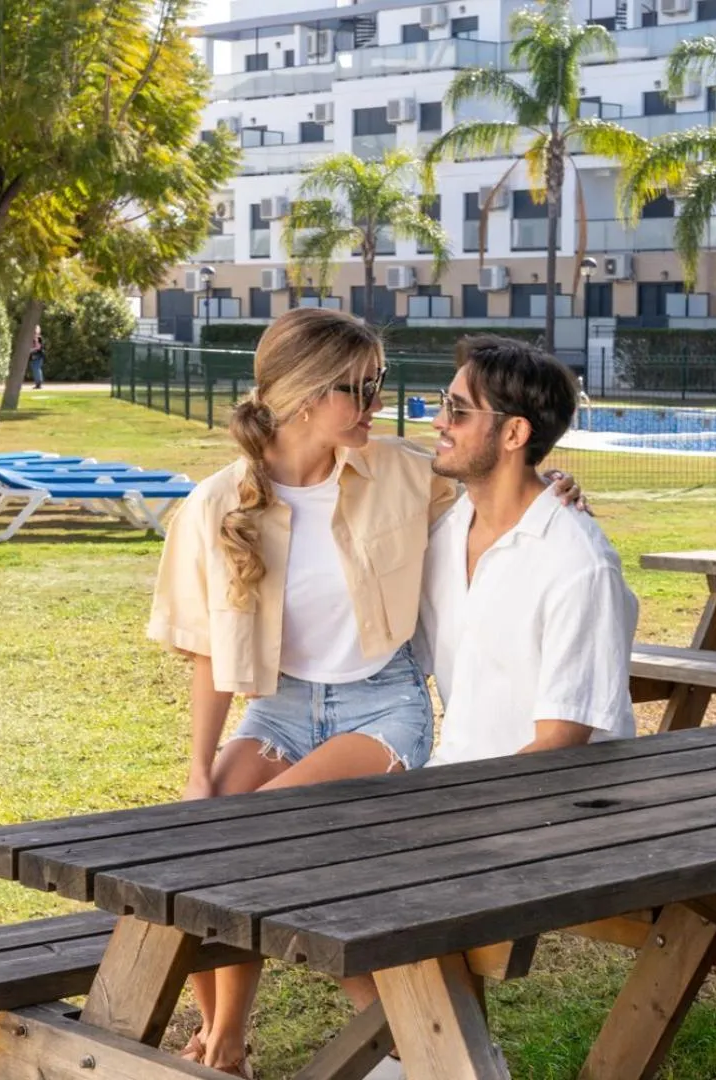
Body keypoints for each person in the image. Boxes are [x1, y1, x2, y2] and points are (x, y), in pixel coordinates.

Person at [146, 309, 581, 1076]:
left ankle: (421, 1046)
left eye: (379, 384)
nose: (378, 402)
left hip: (382, 708)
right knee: (205, 835)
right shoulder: (215, 505)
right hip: (279, 708)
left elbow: (499, 504)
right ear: (308, 394)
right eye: (362, 388)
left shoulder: (403, 474)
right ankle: (228, 1042)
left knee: (259, 833)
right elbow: (209, 654)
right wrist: (197, 771)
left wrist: (551, 491)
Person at [417, 334, 639, 766]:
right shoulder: (446, 532)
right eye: (446, 403)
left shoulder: (578, 564)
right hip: (455, 782)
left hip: (549, 802)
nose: (439, 422)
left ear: (515, 432)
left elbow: (561, 741)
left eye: (458, 410)